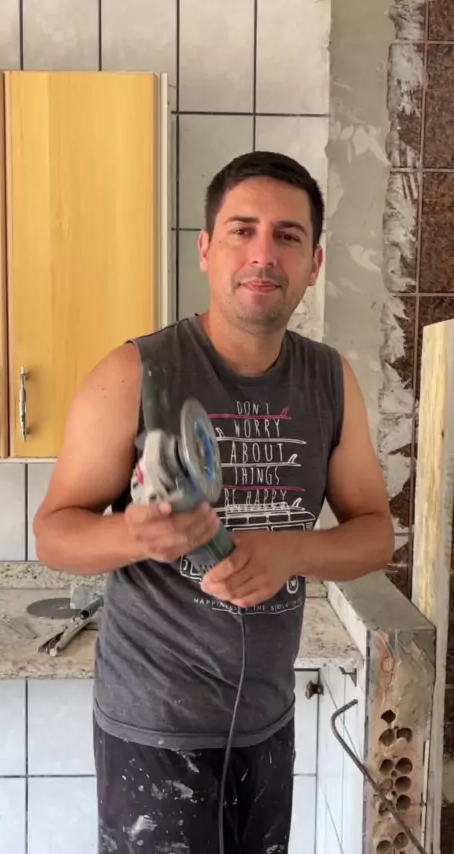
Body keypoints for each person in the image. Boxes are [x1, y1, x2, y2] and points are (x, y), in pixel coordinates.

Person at [33, 150, 394, 854]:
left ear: (314, 263)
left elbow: (376, 535)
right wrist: (138, 535)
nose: (263, 253)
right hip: (153, 735)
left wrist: (291, 551)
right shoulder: (135, 373)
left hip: (267, 723)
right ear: (205, 249)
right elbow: (53, 535)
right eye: (242, 230)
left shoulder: (329, 379)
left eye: (287, 236)